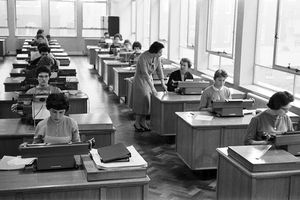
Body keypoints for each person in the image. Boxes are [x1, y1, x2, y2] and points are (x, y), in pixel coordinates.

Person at [132, 41, 167, 132]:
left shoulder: (157, 58)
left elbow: (159, 71)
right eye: (160, 52)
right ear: (155, 51)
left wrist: (163, 83)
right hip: (140, 80)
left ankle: (143, 122)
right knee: (142, 101)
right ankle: (137, 123)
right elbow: (145, 74)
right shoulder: (143, 57)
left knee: (148, 102)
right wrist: (153, 88)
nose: (161, 54)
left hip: (149, 81)